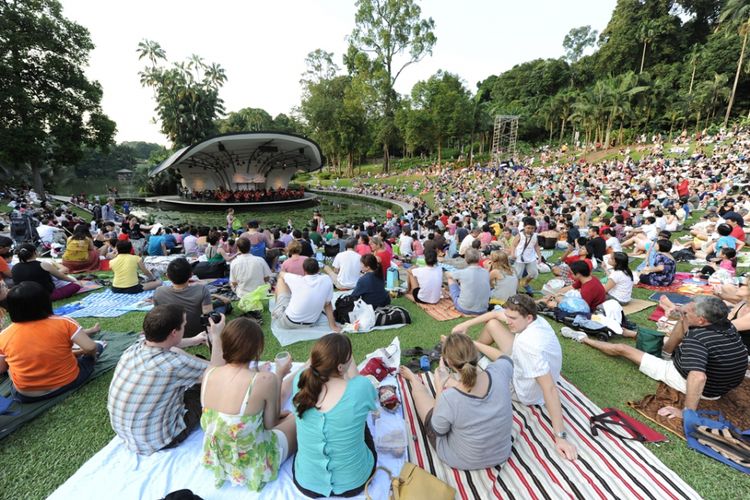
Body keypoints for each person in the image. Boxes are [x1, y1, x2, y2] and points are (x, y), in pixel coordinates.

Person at [562, 296, 748, 419]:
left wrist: (687, 412)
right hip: (721, 382)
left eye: (688, 312)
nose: (684, 313)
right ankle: (664, 353)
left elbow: (698, 377)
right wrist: (684, 316)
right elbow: (691, 330)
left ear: (701, 320)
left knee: (623, 349)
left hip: (703, 386)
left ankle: (583, 338)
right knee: (679, 326)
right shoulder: (727, 327)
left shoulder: (698, 338)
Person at [452, 294, 577, 460]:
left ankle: (470, 354)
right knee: (493, 324)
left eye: (512, 318)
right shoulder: (536, 321)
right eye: (508, 316)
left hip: (522, 390)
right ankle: (472, 352)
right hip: (521, 364)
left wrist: (560, 437)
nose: (508, 321)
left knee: (477, 371)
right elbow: (495, 315)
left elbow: (550, 389)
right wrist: (465, 323)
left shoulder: (530, 346)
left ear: (529, 317)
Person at [107, 304, 225, 455]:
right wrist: (217, 336)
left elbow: (168, 344)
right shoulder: (173, 364)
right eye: (184, 325)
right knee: (206, 385)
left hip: (128, 433)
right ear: (174, 332)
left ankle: (201, 366)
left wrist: (194, 340)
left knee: (177, 352)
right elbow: (219, 373)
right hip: (163, 439)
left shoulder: (134, 348)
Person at [200, 318, 297, 491]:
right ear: (257, 348)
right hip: (254, 462)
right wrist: (279, 375)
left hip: (220, 458)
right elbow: (270, 424)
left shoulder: (210, 373)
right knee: (300, 417)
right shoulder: (265, 379)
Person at [398, 332, 513, 470]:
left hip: (464, 460)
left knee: (421, 398)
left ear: (449, 362)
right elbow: (505, 358)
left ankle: (414, 380)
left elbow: (437, 430)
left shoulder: (450, 398)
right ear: (474, 353)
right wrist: (473, 343)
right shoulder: (499, 372)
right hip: (501, 453)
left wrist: (439, 387)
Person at [292, 334, 377, 497]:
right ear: (340, 367)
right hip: (355, 481)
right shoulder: (361, 387)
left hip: (307, 483)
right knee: (360, 419)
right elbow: (363, 392)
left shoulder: (300, 380)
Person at [0, 281, 103, 402]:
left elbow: (2, 368)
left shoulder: (4, 335)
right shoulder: (64, 322)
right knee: (98, 346)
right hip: (68, 381)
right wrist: (90, 355)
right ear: (45, 301)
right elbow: (90, 347)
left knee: (10, 367)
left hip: (27, 395)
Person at [153, 258, 217, 338]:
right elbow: (208, 316)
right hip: (198, 333)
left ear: (168, 276)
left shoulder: (159, 292)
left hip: (172, 335)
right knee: (220, 308)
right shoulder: (201, 290)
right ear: (191, 275)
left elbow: (158, 317)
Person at [273, 259, 340, 333]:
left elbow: (281, 274)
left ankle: (277, 308)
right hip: (310, 323)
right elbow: (327, 304)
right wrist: (333, 325)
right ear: (318, 269)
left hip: (288, 323)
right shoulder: (326, 279)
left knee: (280, 280)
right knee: (327, 301)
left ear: (304, 270)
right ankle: (332, 325)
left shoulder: (296, 279)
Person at [12, 243, 82, 300]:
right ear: (35, 252)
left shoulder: (14, 268)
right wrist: (74, 281)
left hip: (24, 297)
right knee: (78, 284)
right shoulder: (43, 264)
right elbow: (62, 277)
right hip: (45, 296)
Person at [445, 249, 490, 315]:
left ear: (465, 259)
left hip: (465, 308)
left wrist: (447, 272)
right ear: (479, 258)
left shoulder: (462, 272)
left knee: (450, 279)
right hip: (483, 309)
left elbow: (448, 274)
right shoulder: (486, 272)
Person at [511, 217, 542, 292]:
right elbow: (513, 245)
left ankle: (525, 283)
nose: (530, 230)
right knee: (517, 275)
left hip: (531, 257)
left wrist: (539, 256)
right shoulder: (519, 235)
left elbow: (536, 246)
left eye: (532, 228)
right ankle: (515, 291)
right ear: (524, 227)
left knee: (533, 273)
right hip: (519, 258)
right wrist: (513, 254)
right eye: (528, 228)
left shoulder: (535, 236)